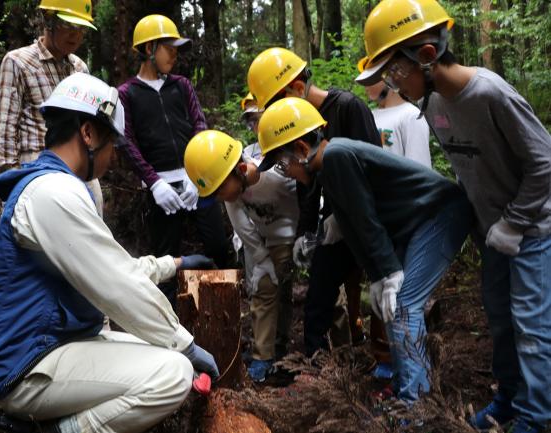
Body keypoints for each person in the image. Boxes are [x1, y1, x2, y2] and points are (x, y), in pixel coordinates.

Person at [0, 73, 219, 433]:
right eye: (111, 146)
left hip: (55, 345)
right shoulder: (52, 194)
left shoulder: (60, 188)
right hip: (27, 366)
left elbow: (112, 267)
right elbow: (117, 285)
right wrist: (186, 346)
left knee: (164, 353)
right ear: (88, 134)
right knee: (173, 372)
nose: (112, 158)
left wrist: (176, 264)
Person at [356, 0, 551, 431]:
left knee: (532, 330)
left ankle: (535, 420)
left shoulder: (489, 93)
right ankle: (508, 401)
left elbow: (544, 163)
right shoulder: (434, 104)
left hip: (534, 229)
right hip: (493, 232)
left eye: (395, 72)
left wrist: (515, 222)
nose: (394, 84)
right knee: (500, 320)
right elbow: (467, 170)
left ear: (426, 56)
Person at [256, 97, 472, 410]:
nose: (285, 172)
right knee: (393, 306)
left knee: (404, 304)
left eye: (282, 163)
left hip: (439, 214)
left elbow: (366, 220)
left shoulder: (338, 158)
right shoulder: (329, 168)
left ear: (302, 149)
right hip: (414, 224)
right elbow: (355, 226)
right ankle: (404, 387)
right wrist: (376, 274)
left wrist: (387, 271)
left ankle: (418, 406)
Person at [247, 47, 382, 355]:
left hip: (368, 219)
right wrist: (305, 235)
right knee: (318, 295)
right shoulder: (293, 130)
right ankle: (315, 369)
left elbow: (372, 169)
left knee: (381, 288)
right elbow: (306, 188)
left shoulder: (347, 108)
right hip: (334, 223)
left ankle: (383, 360)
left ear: (296, 88)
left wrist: (347, 215)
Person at [118, 14, 229, 306]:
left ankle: (224, 309)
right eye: (170, 47)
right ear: (149, 48)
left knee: (219, 245)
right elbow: (126, 141)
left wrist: (197, 174)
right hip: (160, 188)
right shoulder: (127, 94)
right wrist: (154, 183)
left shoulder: (182, 86)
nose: (175, 54)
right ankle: (169, 325)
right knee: (165, 259)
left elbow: (199, 126)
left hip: (197, 181)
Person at [185, 124, 298, 383]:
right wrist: (260, 257)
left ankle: (326, 351)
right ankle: (264, 356)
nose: (222, 197)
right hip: (263, 239)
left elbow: (304, 200)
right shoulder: (229, 189)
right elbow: (240, 221)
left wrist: (305, 238)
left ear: (240, 169)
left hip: (293, 235)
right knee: (263, 291)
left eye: (221, 189)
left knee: (303, 295)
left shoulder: (278, 174)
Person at [0, 0, 104, 215]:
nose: (76, 35)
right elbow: (4, 132)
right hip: (36, 171)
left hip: (79, 171)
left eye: (81, 28)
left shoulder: (79, 68)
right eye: (69, 26)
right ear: (48, 20)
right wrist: (14, 184)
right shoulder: (18, 62)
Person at [362, 81, 431, 381]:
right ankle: (385, 360)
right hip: (374, 221)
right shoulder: (367, 117)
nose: (365, 86)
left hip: (403, 219)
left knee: (403, 301)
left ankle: (412, 373)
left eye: (370, 80)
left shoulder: (411, 116)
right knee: (378, 296)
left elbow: (420, 172)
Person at [363, 81, 431, 168]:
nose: (365, 84)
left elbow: (420, 167)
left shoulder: (411, 115)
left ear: (388, 79)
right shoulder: (370, 115)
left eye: (372, 78)